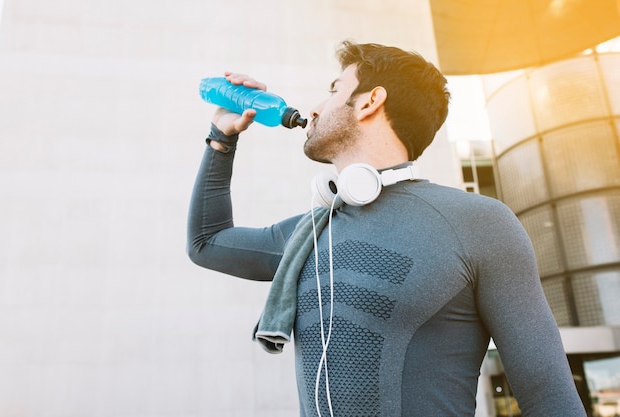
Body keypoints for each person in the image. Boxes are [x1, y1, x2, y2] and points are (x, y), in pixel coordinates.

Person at [187, 41, 586, 417]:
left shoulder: (480, 223)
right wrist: (221, 137)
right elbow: (207, 244)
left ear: (371, 101)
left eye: (334, 90)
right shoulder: (311, 235)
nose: (314, 109)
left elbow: (548, 395)